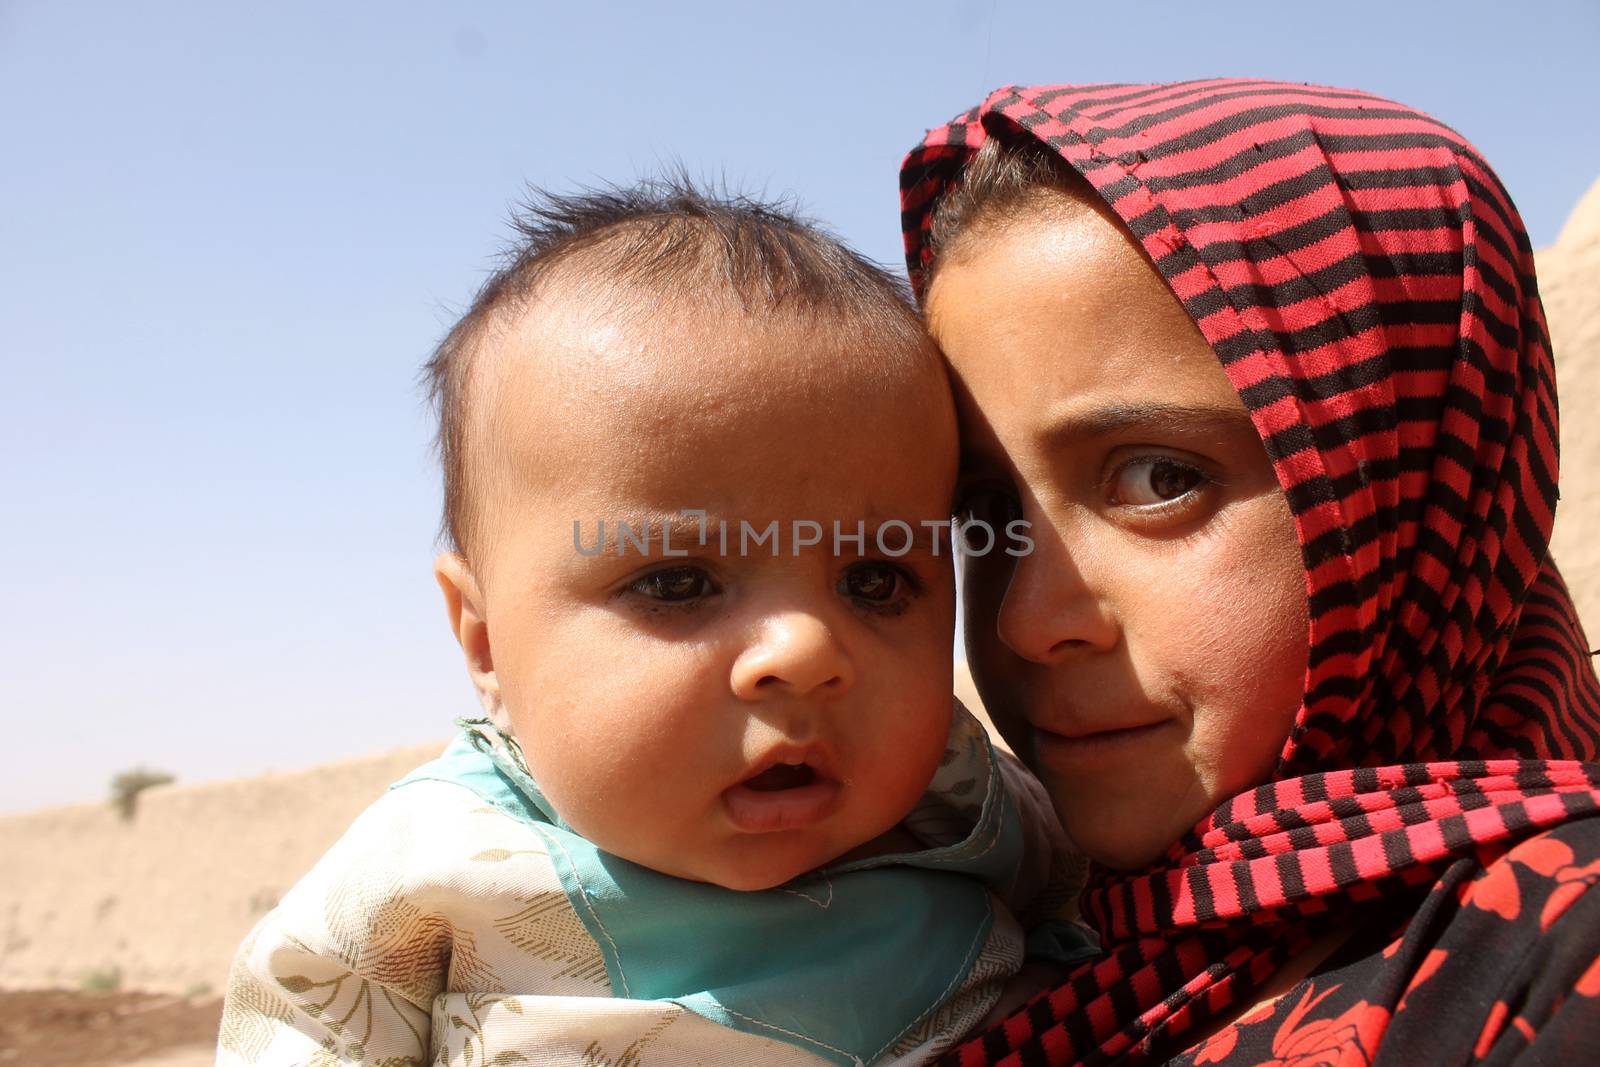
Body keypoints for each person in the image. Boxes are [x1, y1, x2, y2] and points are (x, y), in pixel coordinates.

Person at [215, 181, 1091, 1067]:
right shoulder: (431, 858)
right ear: (484, 641)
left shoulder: (965, 793)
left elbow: (1103, 904)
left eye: (875, 580)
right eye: (676, 582)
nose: (804, 650)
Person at [899, 80, 1600, 1064]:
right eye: (984, 512)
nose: (1027, 618)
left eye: (1159, 477)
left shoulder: (1555, 956)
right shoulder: (969, 932)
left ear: (1417, 477)